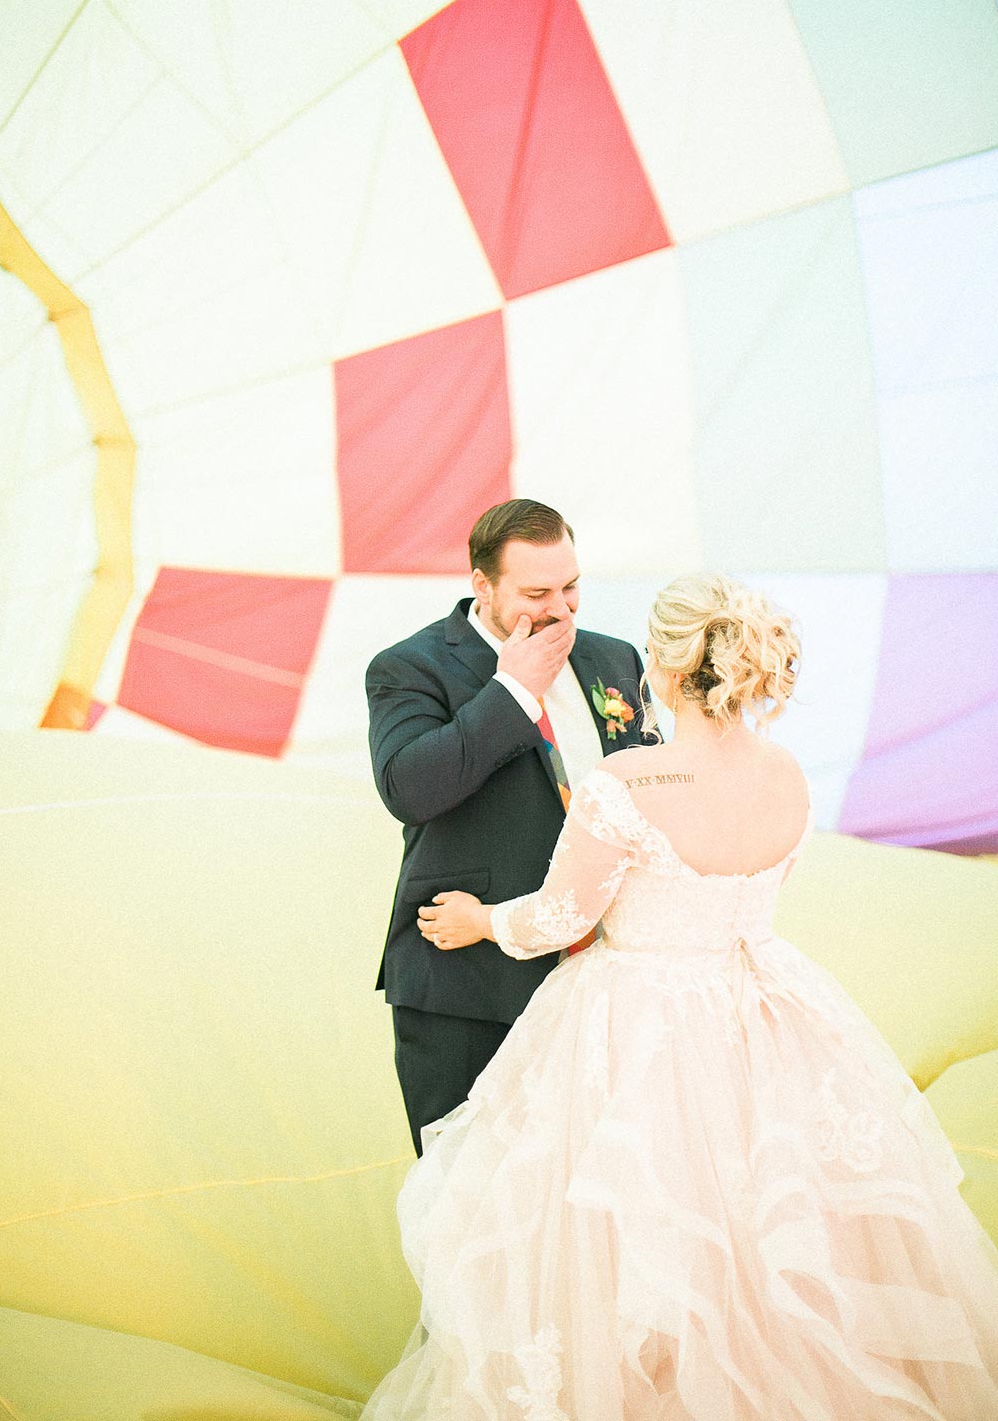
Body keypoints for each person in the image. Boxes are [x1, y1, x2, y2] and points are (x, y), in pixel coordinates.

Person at [360, 572, 998, 1420]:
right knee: (771, 1229)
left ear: (661, 669)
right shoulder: (789, 777)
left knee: (635, 1236)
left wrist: (482, 920)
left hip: (638, 1022)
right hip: (764, 1012)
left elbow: (560, 916)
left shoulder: (628, 782)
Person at [366, 499, 645, 1156]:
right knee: (468, 1202)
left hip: (607, 981)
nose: (561, 610)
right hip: (469, 985)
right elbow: (410, 789)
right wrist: (512, 694)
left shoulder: (615, 662)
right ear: (483, 586)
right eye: (536, 593)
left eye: (571, 588)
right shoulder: (410, 667)